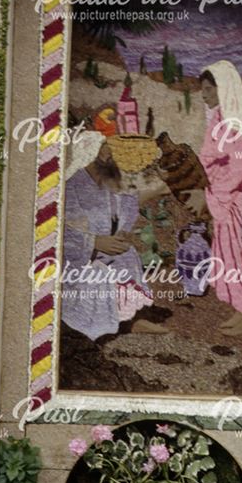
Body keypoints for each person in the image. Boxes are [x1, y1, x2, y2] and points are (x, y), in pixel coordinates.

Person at [185, 60, 242, 336]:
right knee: (232, 256)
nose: (204, 94)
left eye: (209, 89)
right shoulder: (222, 116)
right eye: (202, 89)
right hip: (226, 196)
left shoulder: (236, 118)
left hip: (240, 199)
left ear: (223, 88)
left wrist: (213, 191)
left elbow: (240, 165)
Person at [61, 131, 166, 340]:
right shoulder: (72, 186)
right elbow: (57, 232)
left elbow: (125, 207)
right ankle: (95, 328)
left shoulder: (110, 182)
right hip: (74, 263)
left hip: (106, 254)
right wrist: (94, 243)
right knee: (99, 276)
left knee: (126, 258)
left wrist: (118, 236)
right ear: (103, 156)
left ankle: (130, 320)